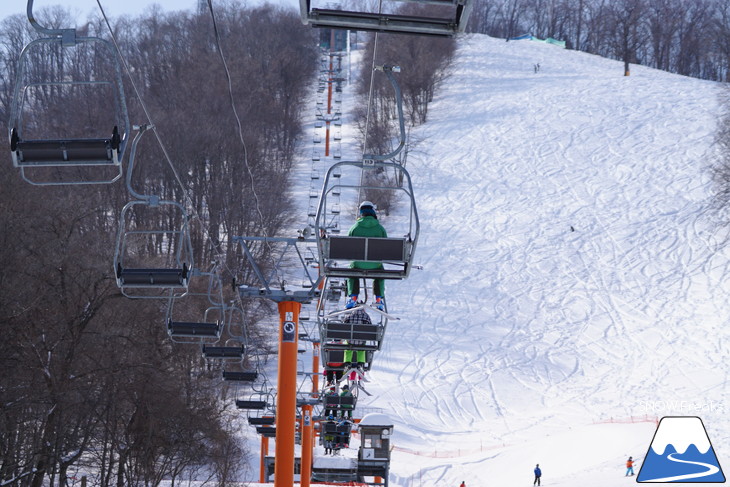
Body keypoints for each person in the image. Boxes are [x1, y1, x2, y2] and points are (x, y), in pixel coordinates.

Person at [346, 201, 387, 310]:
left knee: (352, 270)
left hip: (358, 264)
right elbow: (386, 247)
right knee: (380, 272)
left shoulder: (354, 228)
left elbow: (347, 246)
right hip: (375, 265)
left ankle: (353, 297)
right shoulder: (380, 229)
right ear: (373, 212)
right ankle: (378, 299)